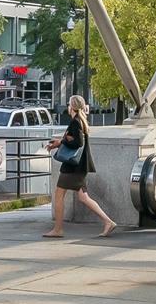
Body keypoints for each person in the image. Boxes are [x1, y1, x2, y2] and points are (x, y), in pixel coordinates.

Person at [43, 94, 117, 238]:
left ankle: (58, 230)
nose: (68, 106)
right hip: (79, 166)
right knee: (83, 197)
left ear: (72, 106)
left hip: (73, 167)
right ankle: (108, 222)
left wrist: (63, 141)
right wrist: (61, 141)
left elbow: (78, 143)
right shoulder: (81, 121)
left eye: (69, 104)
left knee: (59, 195)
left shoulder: (75, 122)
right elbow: (75, 140)